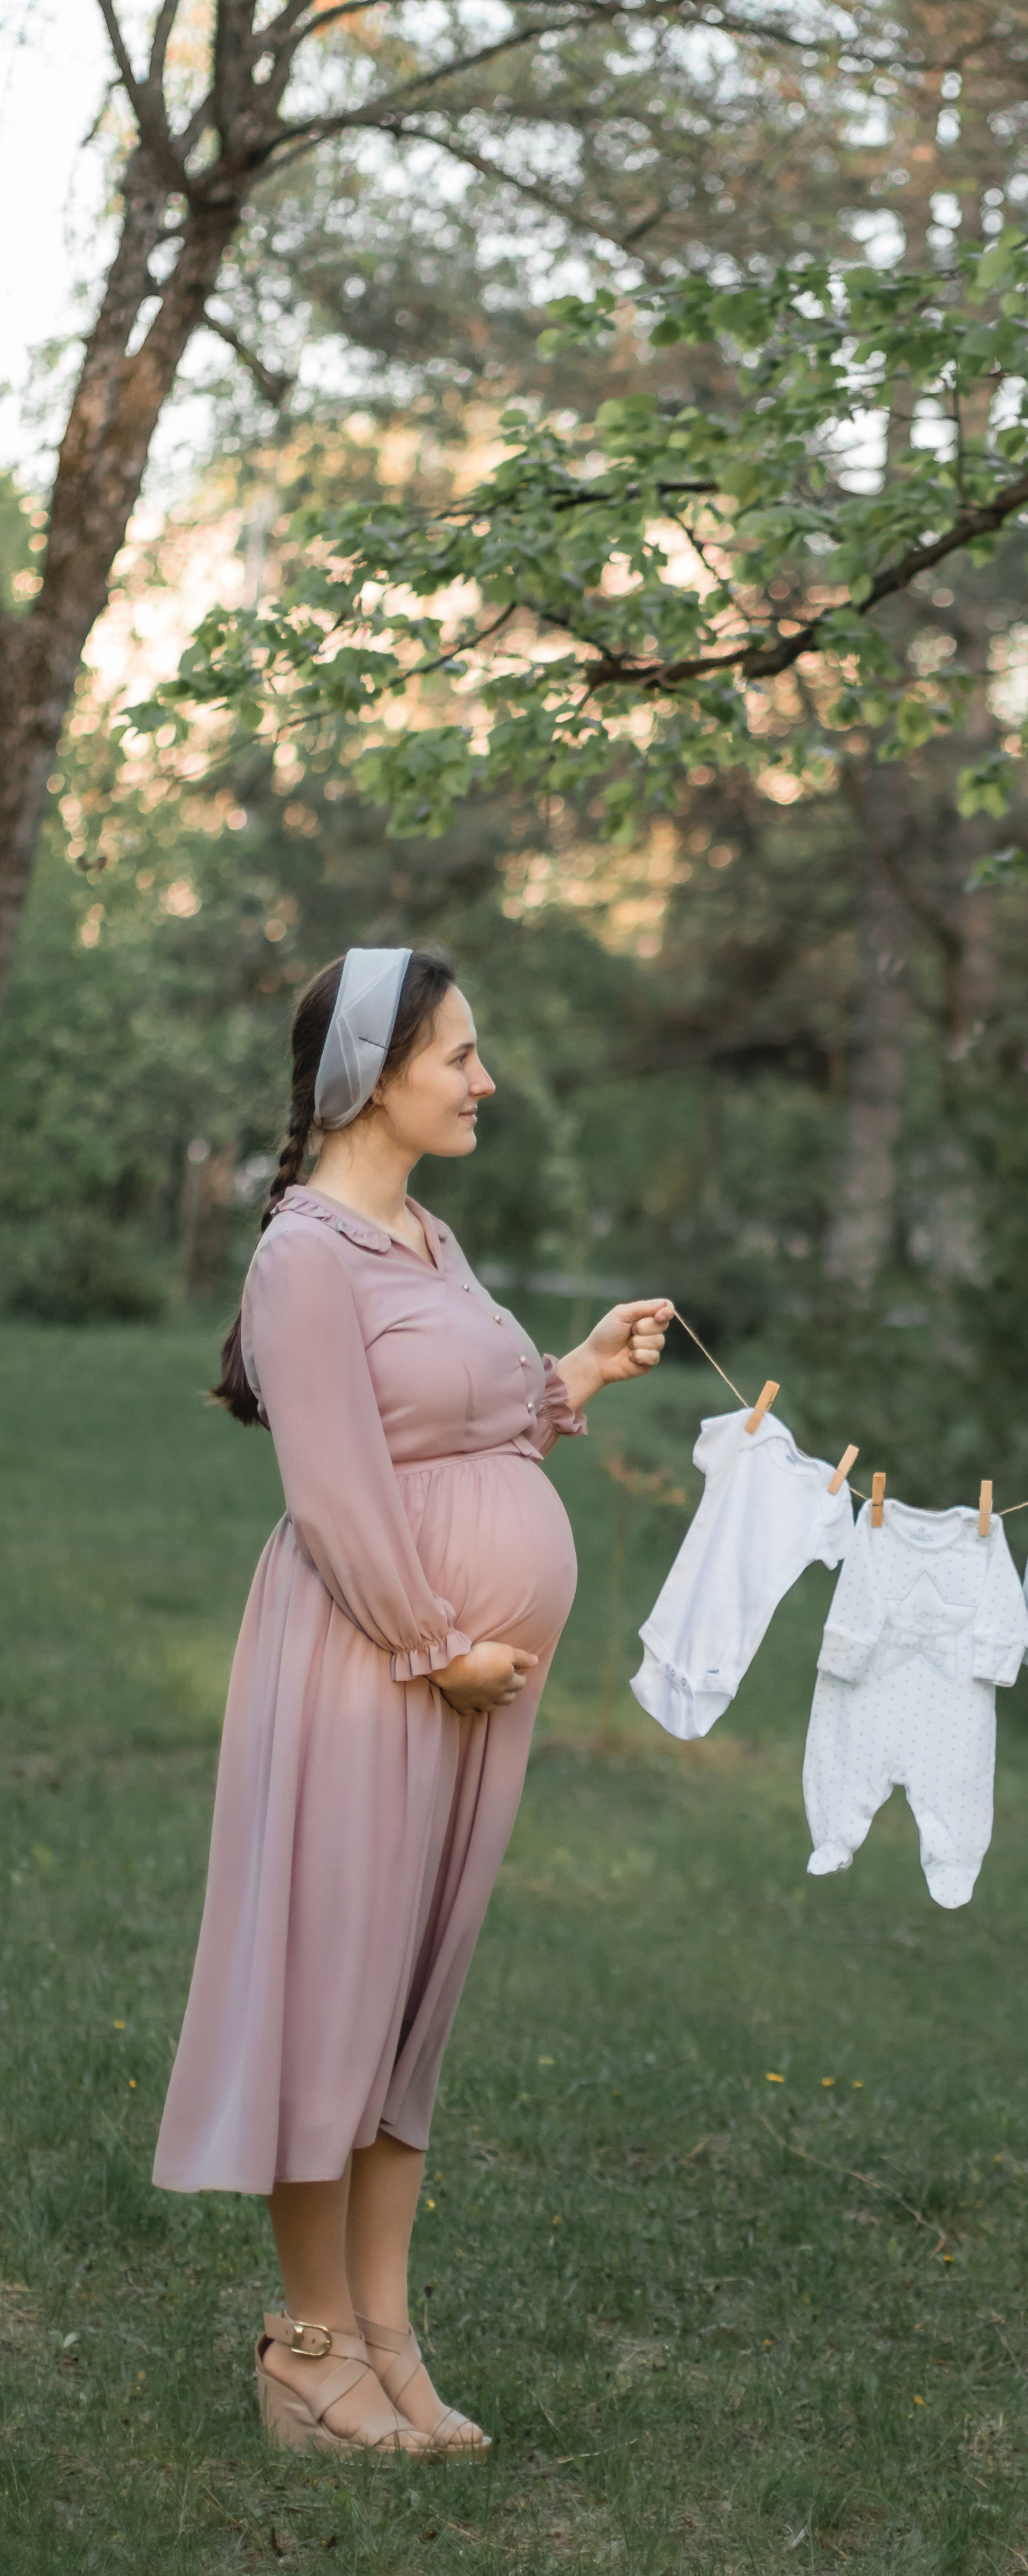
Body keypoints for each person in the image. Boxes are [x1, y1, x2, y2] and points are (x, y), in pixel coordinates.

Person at [154, 948, 673, 2458]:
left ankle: (386, 2339)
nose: (483, 1080)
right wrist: (436, 1643)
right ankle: (304, 2347)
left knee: (405, 2007)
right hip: (368, 1665)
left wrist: (579, 1371)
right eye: (460, 1055)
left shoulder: (426, 1239)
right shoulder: (305, 1254)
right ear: (376, 1071)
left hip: (458, 1678)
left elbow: (468, 1429)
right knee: (333, 1987)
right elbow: (332, 1488)